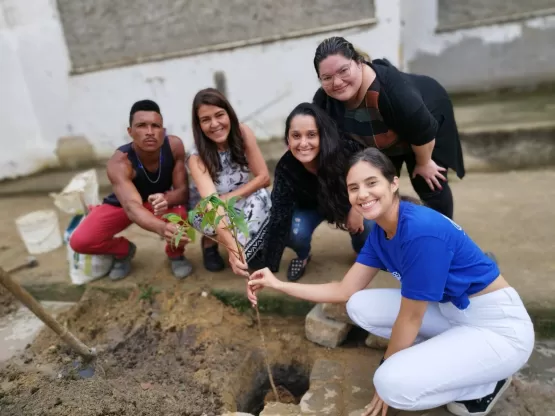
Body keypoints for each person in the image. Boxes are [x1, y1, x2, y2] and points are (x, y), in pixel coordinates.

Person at [247, 148, 534, 416]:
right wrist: (278, 284)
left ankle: (485, 383)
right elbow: (344, 290)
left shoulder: (420, 232)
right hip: (452, 313)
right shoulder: (381, 234)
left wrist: (389, 370)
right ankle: (454, 357)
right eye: (354, 187)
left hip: (499, 328)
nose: (363, 194)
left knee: (391, 384)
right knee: (358, 304)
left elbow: (410, 318)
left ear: (393, 183)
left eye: (372, 183)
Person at [312, 36, 464, 220]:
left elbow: (423, 131)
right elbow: (312, 126)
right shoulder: (325, 101)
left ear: (359, 63)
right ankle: (392, 234)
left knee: (428, 180)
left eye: (344, 70)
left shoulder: (394, 92)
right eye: (327, 77)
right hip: (383, 137)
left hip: (426, 124)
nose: (337, 82)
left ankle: (444, 235)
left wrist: (424, 162)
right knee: (380, 184)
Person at [70, 100, 193, 280]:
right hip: (124, 205)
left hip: (158, 202)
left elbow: (183, 192)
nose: (150, 132)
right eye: (142, 126)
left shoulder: (174, 147)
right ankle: (123, 251)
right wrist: (161, 227)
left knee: (180, 215)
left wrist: (167, 199)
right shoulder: (120, 162)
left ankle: (175, 254)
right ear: (130, 131)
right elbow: (132, 207)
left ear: (163, 130)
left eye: (155, 126)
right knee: (81, 241)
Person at [260, 102, 373, 281]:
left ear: (322, 135)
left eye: (311, 135)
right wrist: (268, 266)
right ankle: (303, 255)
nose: (303, 143)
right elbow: (278, 214)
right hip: (308, 209)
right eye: (296, 136)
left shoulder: (345, 150)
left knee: (368, 223)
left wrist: (357, 208)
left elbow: (372, 177)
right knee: (293, 231)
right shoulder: (286, 167)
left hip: (346, 203)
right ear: (287, 140)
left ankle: (363, 253)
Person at [187, 88, 272, 275]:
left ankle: (247, 249)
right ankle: (213, 243)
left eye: (219, 115)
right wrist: (233, 249)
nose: (215, 124)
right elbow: (212, 205)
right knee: (212, 214)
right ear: (198, 125)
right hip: (209, 211)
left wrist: (228, 198)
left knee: (264, 197)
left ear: (229, 114)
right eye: (206, 119)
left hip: (237, 201)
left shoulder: (243, 133)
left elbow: (264, 178)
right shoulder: (196, 157)